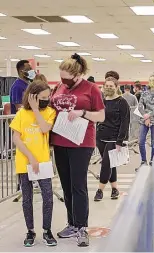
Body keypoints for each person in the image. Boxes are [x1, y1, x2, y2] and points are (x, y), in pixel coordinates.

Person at [50, 54, 105, 247]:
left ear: (78, 74)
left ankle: (82, 226)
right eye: (61, 77)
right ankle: (72, 223)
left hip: (81, 142)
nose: (63, 81)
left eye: (67, 78)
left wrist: (82, 113)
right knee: (65, 185)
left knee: (78, 185)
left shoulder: (92, 89)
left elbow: (101, 116)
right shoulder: (59, 87)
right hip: (59, 140)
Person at [10, 80, 57, 247]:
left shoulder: (50, 112)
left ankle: (47, 230)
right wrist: (30, 157)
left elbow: (44, 129)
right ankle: (30, 230)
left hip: (43, 161)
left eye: (48, 96)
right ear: (33, 96)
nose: (47, 99)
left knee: (48, 197)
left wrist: (36, 109)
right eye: (43, 97)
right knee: (27, 199)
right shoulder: (21, 114)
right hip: (25, 161)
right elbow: (16, 137)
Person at [94, 77, 130, 202]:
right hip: (101, 137)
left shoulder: (122, 102)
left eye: (111, 86)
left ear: (116, 87)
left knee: (106, 164)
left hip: (114, 139)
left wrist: (120, 140)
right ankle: (115, 189)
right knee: (111, 164)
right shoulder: (102, 101)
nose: (108, 88)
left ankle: (100, 190)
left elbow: (125, 122)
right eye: (106, 86)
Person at [136, 75, 154, 170]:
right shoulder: (144, 93)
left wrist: (150, 115)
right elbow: (140, 106)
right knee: (141, 141)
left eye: (153, 80)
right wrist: (146, 116)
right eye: (150, 80)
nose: (151, 82)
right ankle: (143, 161)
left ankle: (153, 161)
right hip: (144, 120)